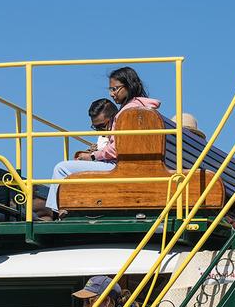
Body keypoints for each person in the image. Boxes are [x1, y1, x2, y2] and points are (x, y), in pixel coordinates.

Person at [44, 67, 162, 212]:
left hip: (120, 167)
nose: (112, 94)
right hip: (135, 166)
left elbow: (117, 148)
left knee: (61, 168)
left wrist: (93, 156)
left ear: (129, 85)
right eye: (110, 89)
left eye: (115, 89)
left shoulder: (128, 112)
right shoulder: (143, 107)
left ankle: (55, 212)